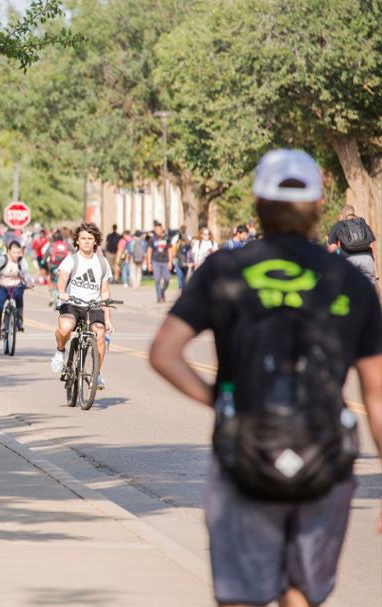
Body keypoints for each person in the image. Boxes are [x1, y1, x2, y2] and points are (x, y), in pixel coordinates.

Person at [150, 149, 382, 607]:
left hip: (244, 454)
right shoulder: (349, 280)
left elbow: (163, 353)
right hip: (324, 458)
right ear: (319, 207)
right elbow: (376, 392)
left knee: (242, 594)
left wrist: (216, 398)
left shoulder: (225, 269)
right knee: (299, 593)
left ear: (258, 203)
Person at [51, 223, 114, 390]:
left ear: (95, 241)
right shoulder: (71, 260)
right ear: (77, 241)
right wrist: (62, 292)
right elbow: (62, 279)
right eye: (83, 239)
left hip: (93, 305)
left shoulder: (102, 263)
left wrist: (108, 319)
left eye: (90, 239)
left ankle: (96, 374)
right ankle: (60, 351)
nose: (86, 242)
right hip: (72, 303)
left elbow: (105, 292)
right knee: (65, 328)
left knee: (100, 334)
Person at [0, 240, 32, 342]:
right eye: (14, 252)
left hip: (16, 285)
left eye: (18, 252)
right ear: (9, 251)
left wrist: (29, 282)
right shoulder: (2, 260)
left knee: (19, 296)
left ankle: (20, 320)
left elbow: (26, 274)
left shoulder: (22, 261)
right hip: (1, 286)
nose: (16, 255)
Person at [328, 205, 377, 286]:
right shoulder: (363, 224)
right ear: (353, 213)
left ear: (341, 215)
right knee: (371, 287)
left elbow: (332, 247)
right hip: (367, 259)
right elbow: (372, 245)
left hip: (349, 260)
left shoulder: (339, 225)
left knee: (350, 289)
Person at [147, 223, 173, 303]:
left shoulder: (166, 238)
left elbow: (169, 250)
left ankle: (162, 291)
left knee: (167, 279)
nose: (158, 231)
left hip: (165, 262)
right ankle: (159, 297)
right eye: (156, 229)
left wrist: (170, 262)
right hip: (156, 262)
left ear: (162, 229)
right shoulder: (152, 239)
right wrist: (149, 263)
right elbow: (149, 251)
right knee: (157, 279)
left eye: (159, 229)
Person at [173, 226, 192, 290]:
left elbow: (190, 247)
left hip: (185, 260)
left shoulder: (188, 237)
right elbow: (173, 249)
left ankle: (183, 288)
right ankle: (180, 288)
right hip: (177, 259)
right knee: (180, 275)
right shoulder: (176, 238)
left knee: (185, 276)